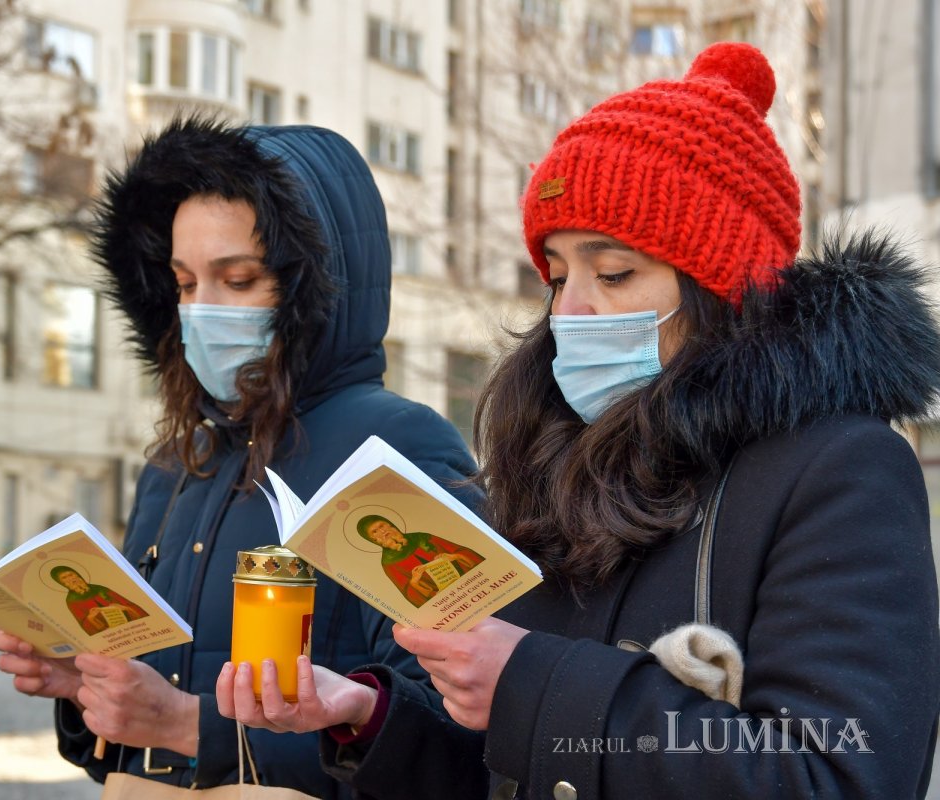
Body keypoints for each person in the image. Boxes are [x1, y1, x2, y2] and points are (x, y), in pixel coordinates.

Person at [218, 43, 940, 798]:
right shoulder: (552, 467)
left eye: (615, 272)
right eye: (557, 275)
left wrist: (529, 683)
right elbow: (514, 765)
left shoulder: (840, 471)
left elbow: (839, 771)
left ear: (723, 286)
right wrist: (371, 717)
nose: (570, 313)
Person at [0, 116, 482, 797]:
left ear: (315, 285)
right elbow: (147, 719)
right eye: (185, 284)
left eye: (239, 279)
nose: (201, 312)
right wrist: (86, 690)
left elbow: (460, 743)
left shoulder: (396, 448)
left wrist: (192, 727)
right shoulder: (177, 461)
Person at [355, 515, 484, 606]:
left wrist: (455, 557)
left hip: (473, 585)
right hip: (447, 600)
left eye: (382, 525)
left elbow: (462, 552)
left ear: (391, 525)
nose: (383, 532)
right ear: (374, 540)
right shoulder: (388, 563)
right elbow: (409, 594)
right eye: (375, 532)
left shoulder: (421, 536)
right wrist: (415, 582)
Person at [50, 565, 147, 636]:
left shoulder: (100, 589)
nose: (71, 579)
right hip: (111, 636)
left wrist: (125, 608)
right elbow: (84, 625)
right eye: (64, 578)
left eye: (71, 575)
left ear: (78, 575)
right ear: (61, 583)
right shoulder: (72, 601)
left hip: (132, 629)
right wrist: (91, 618)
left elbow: (130, 605)